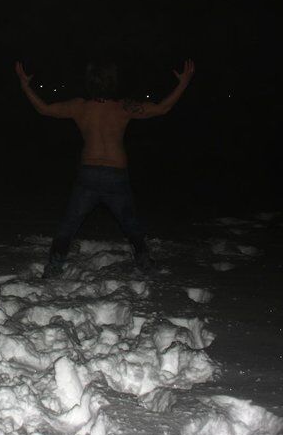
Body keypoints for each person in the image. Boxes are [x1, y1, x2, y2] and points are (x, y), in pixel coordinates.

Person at [15, 58, 195, 278]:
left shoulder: (79, 107)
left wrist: (25, 85)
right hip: (115, 175)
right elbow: (162, 108)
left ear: (89, 83)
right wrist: (183, 83)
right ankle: (144, 262)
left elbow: (43, 108)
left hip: (89, 175)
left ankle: (54, 266)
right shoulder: (124, 107)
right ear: (113, 83)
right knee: (130, 224)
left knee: (69, 225)